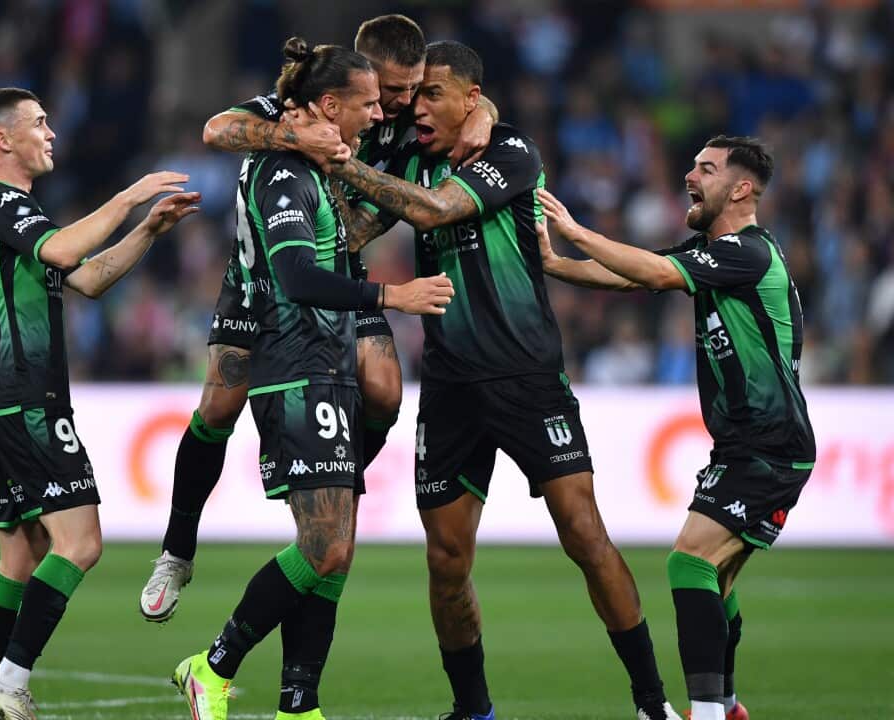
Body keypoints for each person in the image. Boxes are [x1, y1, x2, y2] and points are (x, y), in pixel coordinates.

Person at [325, 42, 680, 720]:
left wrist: (351, 166)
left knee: (583, 533)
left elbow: (430, 212)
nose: (419, 105)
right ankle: (473, 710)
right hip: (452, 386)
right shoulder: (413, 152)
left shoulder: (512, 153)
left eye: (435, 94)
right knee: (447, 559)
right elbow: (359, 228)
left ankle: (652, 702)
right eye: (416, 94)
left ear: (471, 97)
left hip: (527, 377)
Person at [139, 13, 496, 624]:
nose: (403, 103)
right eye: (392, 89)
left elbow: (469, 103)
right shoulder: (302, 99)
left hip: (341, 272)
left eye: (413, 89)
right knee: (219, 407)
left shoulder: (400, 115)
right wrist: (292, 139)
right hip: (260, 281)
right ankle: (177, 550)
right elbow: (217, 128)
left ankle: (331, 489)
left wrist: (484, 112)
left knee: (384, 392)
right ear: (359, 73)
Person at [171, 38, 454, 720]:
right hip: (294, 362)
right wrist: (395, 297)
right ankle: (210, 665)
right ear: (331, 104)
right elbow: (296, 278)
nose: (388, 108)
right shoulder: (284, 170)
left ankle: (299, 705)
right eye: (374, 99)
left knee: (334, 547)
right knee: (324, 545)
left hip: (325, 358)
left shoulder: (344, 151)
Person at [537, 135, 813, 720]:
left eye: (706, 169)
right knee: (717, 580)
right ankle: (730, 708)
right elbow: (635, 276)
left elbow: (655, 274)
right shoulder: (716, 252)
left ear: (741, 188)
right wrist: (558, 264)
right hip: (747, 443)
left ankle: (710, 713)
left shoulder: (749, 252)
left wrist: (577, 231)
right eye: (691, 165)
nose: (691, 175)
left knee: (689, 562)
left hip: (770, 444)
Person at [0, 87, 199, 720]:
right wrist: (130, 196)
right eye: (40, 124)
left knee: (21, 554)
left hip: (3, 400)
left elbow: (87, 277)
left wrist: (147, 229)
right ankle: (8, 683)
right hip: (27, 400)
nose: (51, 133)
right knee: (81, 543)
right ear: (3, 139)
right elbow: (68, 251)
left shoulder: (17, 217)